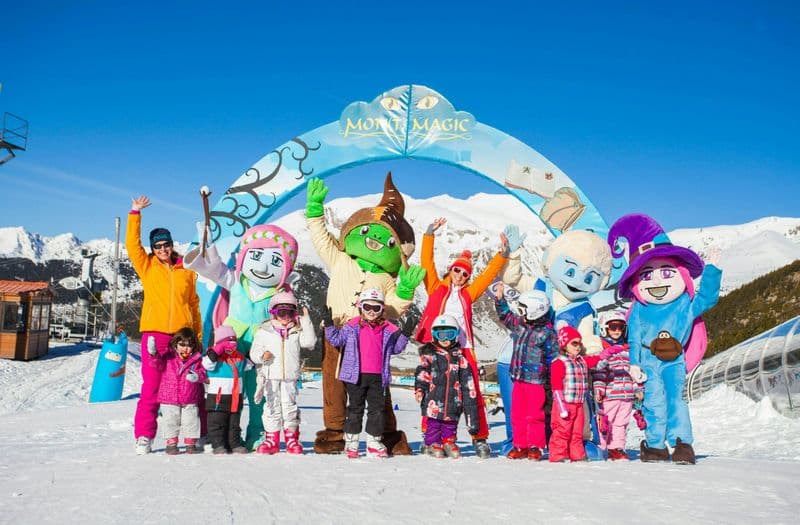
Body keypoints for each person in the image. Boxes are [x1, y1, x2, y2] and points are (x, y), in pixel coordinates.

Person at [415, 217, 509, 458]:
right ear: (451, 270)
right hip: (436, 347)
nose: (460, 275)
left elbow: (487, 276)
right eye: (457, 270)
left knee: (471, 394)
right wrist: (428, 235)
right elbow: (427, 263)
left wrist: (502, 255)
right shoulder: (436, 287)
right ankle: (431, 437)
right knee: (433, 393)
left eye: (465, 273)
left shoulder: (468, 294)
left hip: (463, 348)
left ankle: (479, 438)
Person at [126, 195, 202, 455]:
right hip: (155, 335)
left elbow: (193, 304)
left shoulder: (186, 270)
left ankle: (195, 435)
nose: (162, 249)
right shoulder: (146, 266)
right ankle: (144, 436)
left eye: (166, 244)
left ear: (172, 245)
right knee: (152, 387)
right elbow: (132, 246)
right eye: (157, 245)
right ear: (153, 248)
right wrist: (135, 213)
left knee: (191, 383)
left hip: (183, 336)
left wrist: (197, 336)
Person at [323, 288, 411, 459]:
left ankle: (373, 442)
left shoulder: (387, 329)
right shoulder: (351, 326)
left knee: (377, 410)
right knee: (355, 409)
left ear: (382, 310)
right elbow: (336, 339)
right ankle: (352, 441)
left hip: (378, 376)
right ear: (360, 307)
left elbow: (396, 348)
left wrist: (405, 335)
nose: (371, 311)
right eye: (367, 307)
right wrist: (328, 325)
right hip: (356, 376)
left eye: (376, 308)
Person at [493, 283, 558, 460]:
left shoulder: (547, 333)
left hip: (536, 382)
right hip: (518, 378)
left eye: (523, 309)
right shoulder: (520, 325)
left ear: (535, 311)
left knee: (534, 415)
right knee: (517, 413)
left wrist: (554, 381)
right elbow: (506, 316)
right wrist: (500, 299)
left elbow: (553, 358)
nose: (520, 312)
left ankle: (535, 446)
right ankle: (520, 445)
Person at [250, 291, 317, 455]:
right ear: (273, 313)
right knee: (271, 408)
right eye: (281, 312)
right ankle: (271, 439)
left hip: (289, 377)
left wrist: (306, 321)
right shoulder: (264, 331)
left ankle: (292, 439)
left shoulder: (297, 330)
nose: (286, 317)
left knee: (289, 407)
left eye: (290, 312)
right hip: (271, 377)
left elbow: (309, 342)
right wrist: (261, 356)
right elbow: (254, 353)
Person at [549, 326, 619, 463]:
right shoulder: (559, 362)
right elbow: (556, 388)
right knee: (562, 430)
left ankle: (577, 454)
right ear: (564, 344)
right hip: (565, 404)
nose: (578, 346)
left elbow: (595, 361)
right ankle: (558, 454)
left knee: (577, 431)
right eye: (574, 343)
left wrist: (607, 353)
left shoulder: (581, 360)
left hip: (579, 404)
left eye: (579, 343)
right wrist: (562, 407)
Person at [414, 314, 479, 459]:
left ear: (455, 335)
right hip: (434, 400)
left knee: (451, 423)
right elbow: (422, 374)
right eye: (440, 335)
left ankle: (449, 441)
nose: (445, 339)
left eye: (449, 334)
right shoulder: (430, 356)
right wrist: (420, 389)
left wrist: (468, 398)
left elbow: (467, 382)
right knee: (434, 424)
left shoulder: (460, 358)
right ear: (435, 335)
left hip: (454, 400)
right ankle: (432, 443)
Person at [150, 327, 207, 455]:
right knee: (170, 420)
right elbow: (156, 364)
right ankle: (171, 443)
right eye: (182, 345)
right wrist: (153, 354)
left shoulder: (197, 360)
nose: (185, 349)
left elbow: (204, 373)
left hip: (190, 398)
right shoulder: (168, 357)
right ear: (175, 344)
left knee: (191, 421)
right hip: (169, 398)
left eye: (189, 346)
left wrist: (197, 376)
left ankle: (190, 443)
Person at [593, 311, 641, 460]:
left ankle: (617, 448)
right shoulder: (604, 350)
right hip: (610, 395)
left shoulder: (628, 351)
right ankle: (600, 446)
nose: (617, 331)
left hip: (626, 396)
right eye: (613, 327)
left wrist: (637, 388)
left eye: (620, 327)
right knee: (605, 422)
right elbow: (600, 372)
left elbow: (633, 372)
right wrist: (599, 389)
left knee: (621, 423)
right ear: (604, 328)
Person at [203, 325, 252, 454]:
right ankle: (218, 444)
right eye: (227, 345)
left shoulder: (239, 357)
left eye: (233, 344)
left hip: (235, 398)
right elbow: (206, 364)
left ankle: (234, 444)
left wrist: (251, 353)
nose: (231, 348)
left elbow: (250, 365)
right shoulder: (213, 358)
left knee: (234, 424)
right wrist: (216, 351)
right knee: (217, 423)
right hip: (217, 398)